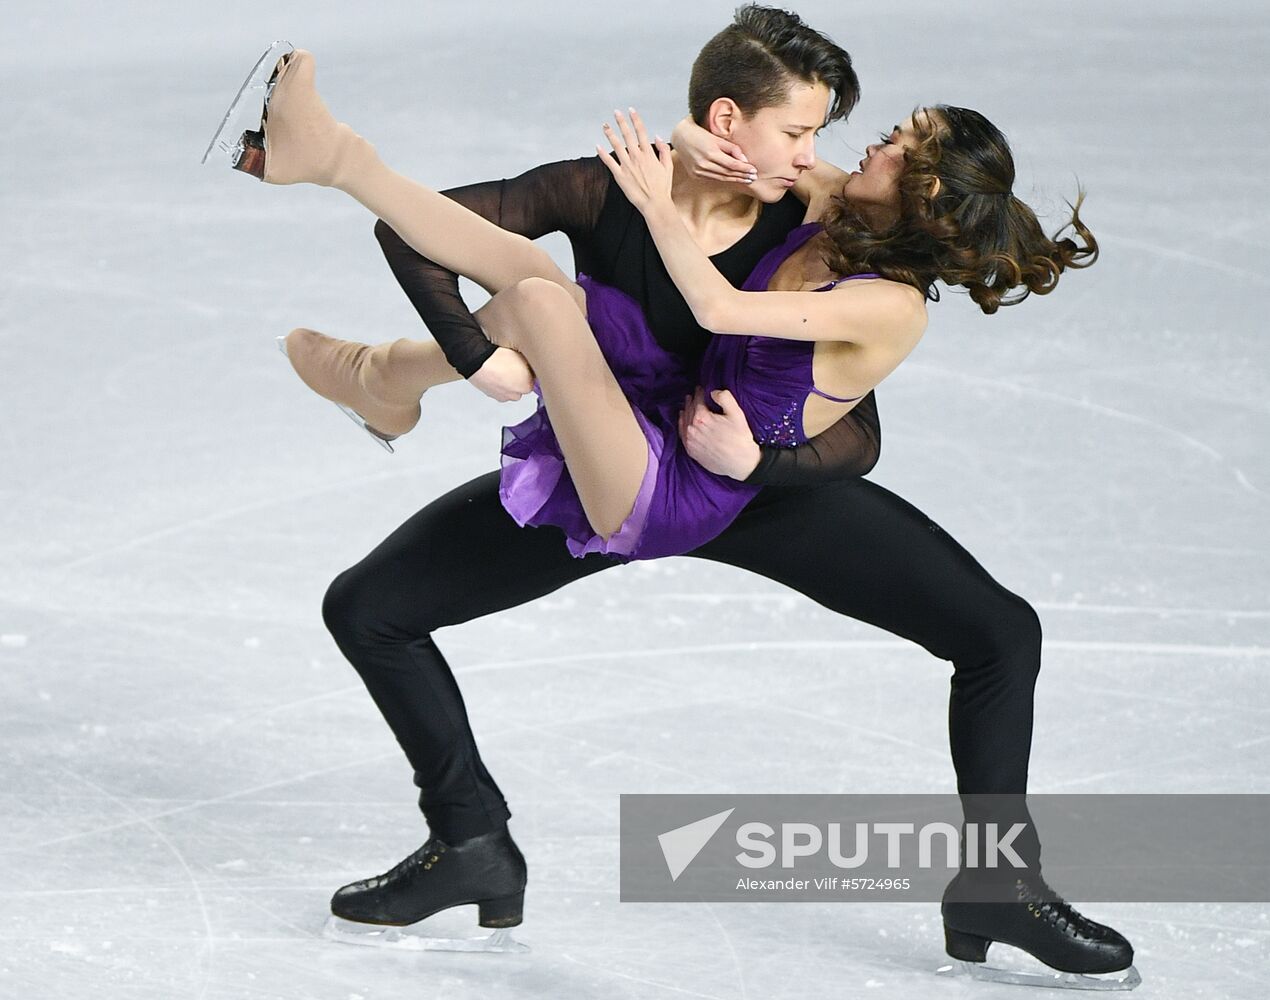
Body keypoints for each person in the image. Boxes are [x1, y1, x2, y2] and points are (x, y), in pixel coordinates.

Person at [209, 6, 1135, 985]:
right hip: (627, 443)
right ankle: (471, 839)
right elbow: (435, 241)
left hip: (738, 480)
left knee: (998, 631)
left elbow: (847, 425)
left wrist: (760, 462)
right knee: (370, 603)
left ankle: (999, 881)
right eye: (798, 131)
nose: (826, 149)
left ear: (915, 189)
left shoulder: (829, 220)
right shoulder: (648, 184)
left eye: (859, 139)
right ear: (730, 122)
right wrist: (681, 163)